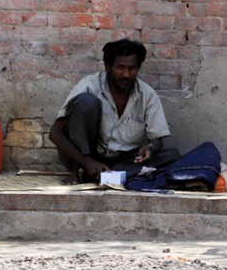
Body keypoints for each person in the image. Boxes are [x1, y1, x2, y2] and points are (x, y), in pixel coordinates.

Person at [50, 39, 179, 185]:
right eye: (120, 67)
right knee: (86, 102)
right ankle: (80, 170)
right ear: (108, 67)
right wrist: (87, 161)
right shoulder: (89, 86)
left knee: (172, 155)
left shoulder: (147, 95)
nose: (126, 74)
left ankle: (105, 174)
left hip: (124, 160)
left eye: (132, 68)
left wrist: (150, 148)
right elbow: (55, 133)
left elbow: (157, 139)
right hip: (87, 156)